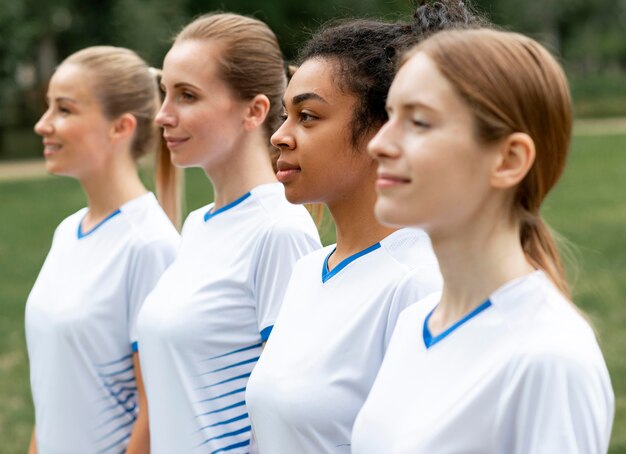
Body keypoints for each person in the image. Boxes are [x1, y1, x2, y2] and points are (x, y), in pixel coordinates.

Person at [351, 28, 615, 453]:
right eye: (389, 115)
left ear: (509, 160)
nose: (379, 143)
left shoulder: (548, 358)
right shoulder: (413, 323)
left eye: (418, 121)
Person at [244, 2, 484, 452]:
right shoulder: (307, 271)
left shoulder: (421, 285)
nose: (280, 136)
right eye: (284, 115)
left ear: (383, 128)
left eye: (308, 116)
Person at [135, 13, 322, 454]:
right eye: (166, 94)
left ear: (255, 111)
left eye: (187, 96)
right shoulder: (198, 224)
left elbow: (289, 420)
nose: (163, 115)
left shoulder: (279, 230)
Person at [26, 46, 181, 454]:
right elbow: (55, 389)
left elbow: (157, 413)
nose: (44, 125)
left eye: (64, 110)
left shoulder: (150, 245)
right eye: (48, 107)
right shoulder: (67, 232)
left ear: (121, 127)